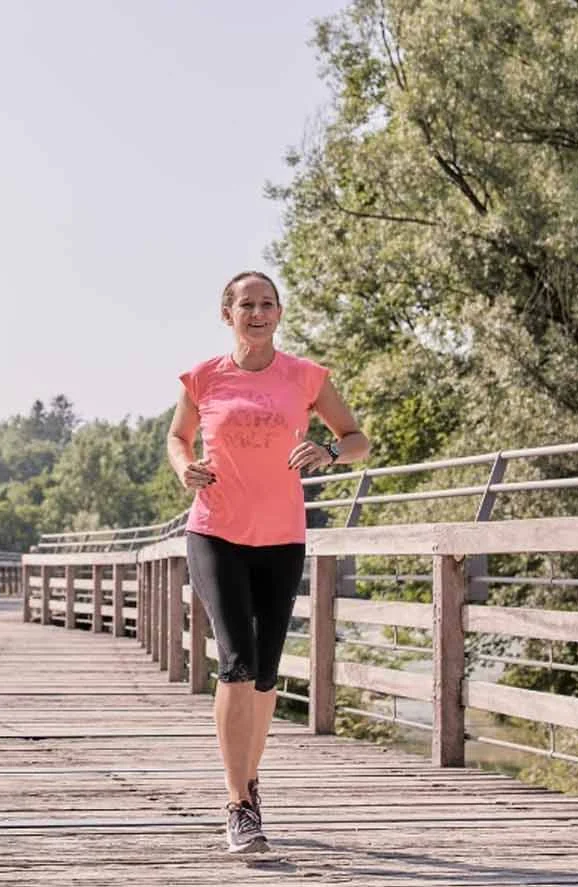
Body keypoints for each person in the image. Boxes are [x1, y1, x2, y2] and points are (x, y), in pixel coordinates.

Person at [166, 270, 369, 854]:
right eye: (246, 304)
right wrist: (184, 468)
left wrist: (329, 450)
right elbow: (177, 438)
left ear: (279, 313)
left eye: (267, 303)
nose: (257, 312)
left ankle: (249, 783)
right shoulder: (203, 377)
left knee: (263, 673)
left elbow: (357, 438)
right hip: (215, 531)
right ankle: (239, 804)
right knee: (234, 660)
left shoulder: (305, 377)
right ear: (226, 314)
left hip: (281, 537)